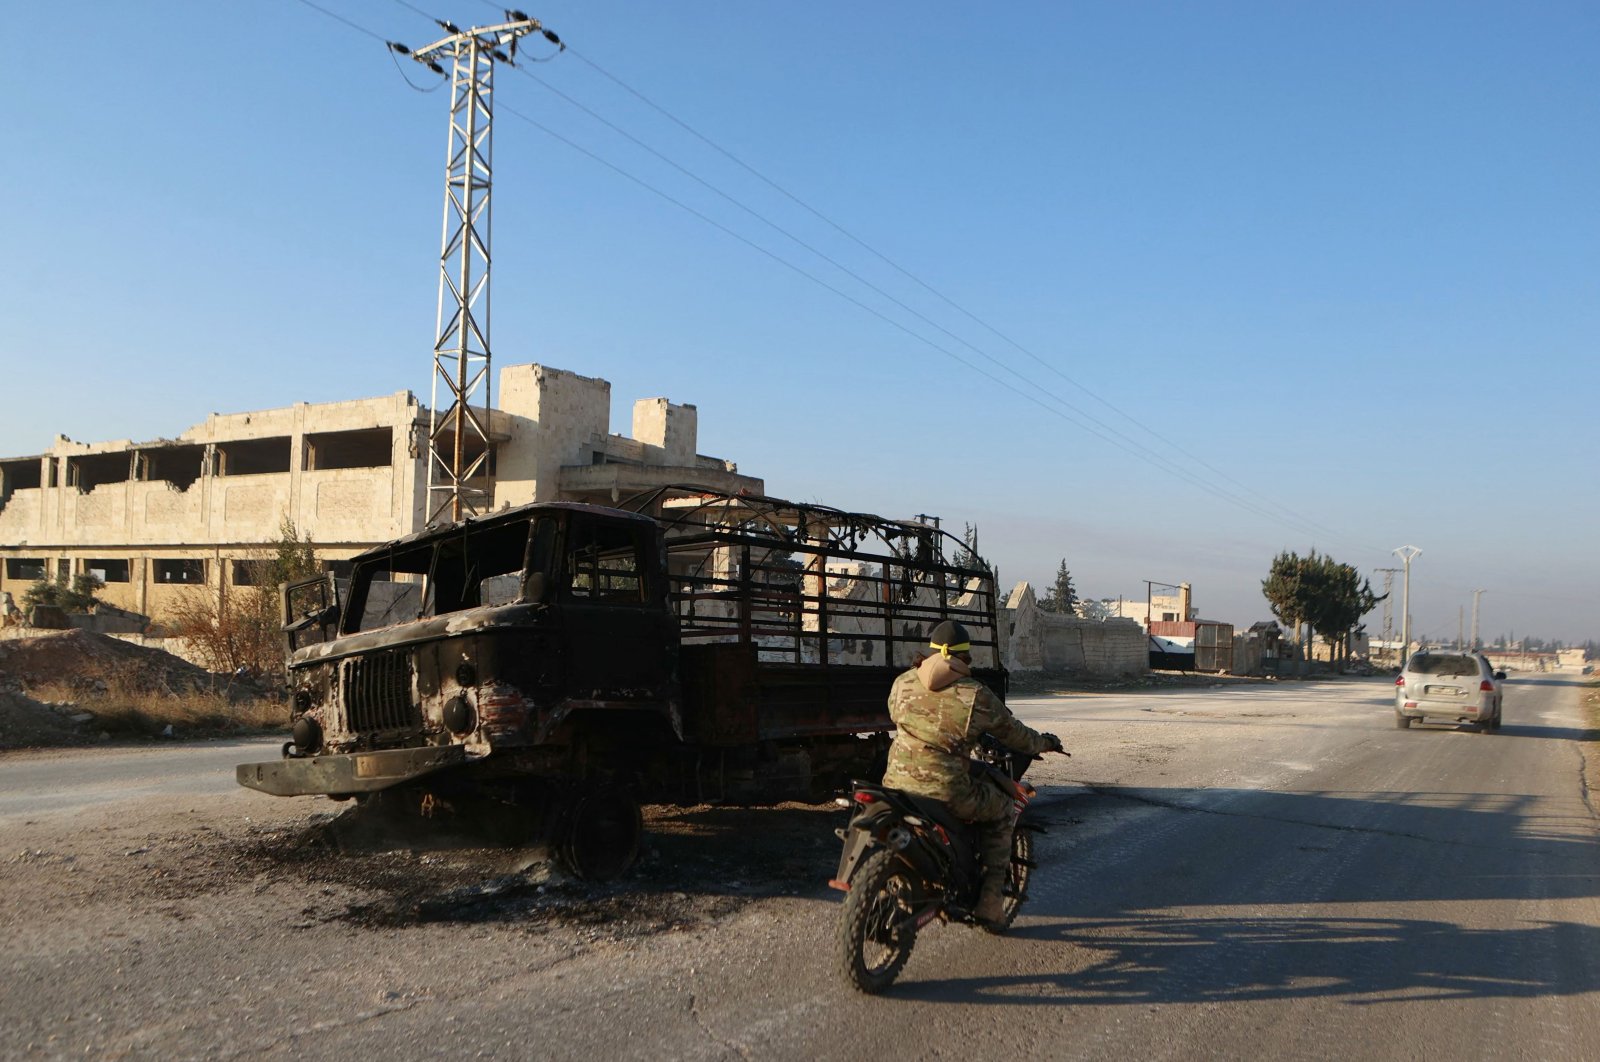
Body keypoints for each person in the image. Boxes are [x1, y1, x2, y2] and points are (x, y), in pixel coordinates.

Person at [882, 619, 1064, 925]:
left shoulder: (903, 682)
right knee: (1004, 809)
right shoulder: (975, 694)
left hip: (895, 782)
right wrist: (1045, 743)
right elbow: (1016, 735)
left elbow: (894, 714)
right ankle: (990, 903)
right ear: (966, 656)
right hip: (946, 789)